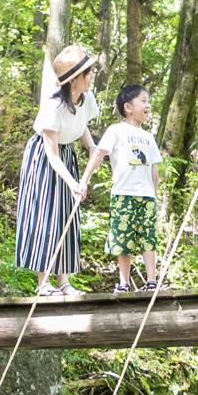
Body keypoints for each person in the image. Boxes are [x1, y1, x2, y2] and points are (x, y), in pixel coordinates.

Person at [15, 44, 100, 296]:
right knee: (48, 215)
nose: (92, 75)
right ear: (74, 80)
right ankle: (44, 283)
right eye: (88, 72)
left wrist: (92, 148)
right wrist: (73, 183)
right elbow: (51, 154)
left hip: (67, 154)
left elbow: (81, 125)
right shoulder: (52, 106)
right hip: (43, 159)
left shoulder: (87, 99)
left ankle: (64, 282)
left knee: (67, 215)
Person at [79, 85, 164, 293]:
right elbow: (99, 155)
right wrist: (84, 180)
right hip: (123, 193)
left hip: (146, 195)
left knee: (148, 237)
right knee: (123, 237)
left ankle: (151, 280)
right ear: (128, 107)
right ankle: (124, 282)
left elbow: (154, 169)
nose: (148, 105)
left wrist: (155, 194)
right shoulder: (116, 130)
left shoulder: (149, 137)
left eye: (148, 101)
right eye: (143, 101)